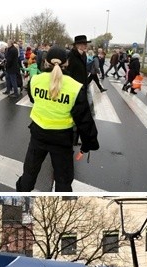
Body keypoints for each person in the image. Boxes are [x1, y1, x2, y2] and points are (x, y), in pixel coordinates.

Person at [16, 45, 99, 192]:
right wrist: (88, 144)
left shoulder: (35, 80)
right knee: (63, 181)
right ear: (67, 63)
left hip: (38, 135)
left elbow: (34, 99)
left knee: (29, 174)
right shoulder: (75, 87)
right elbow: (84, 120)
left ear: (46, 62)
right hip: (62, 139)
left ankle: (22, 192)